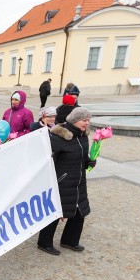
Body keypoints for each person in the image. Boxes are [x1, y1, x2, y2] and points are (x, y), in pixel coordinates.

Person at [37, 108, 95, 255]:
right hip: (62, 181)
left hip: (79, 180)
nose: (87, 123)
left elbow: (80, 155)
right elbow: (47, 161)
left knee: (79, 211)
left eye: (88, 120)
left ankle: (70, 240)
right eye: (84, 120)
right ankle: (44, 242)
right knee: (56, 212)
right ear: (75, 120)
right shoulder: (58, 137)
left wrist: (88, 161)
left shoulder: (82, 136)